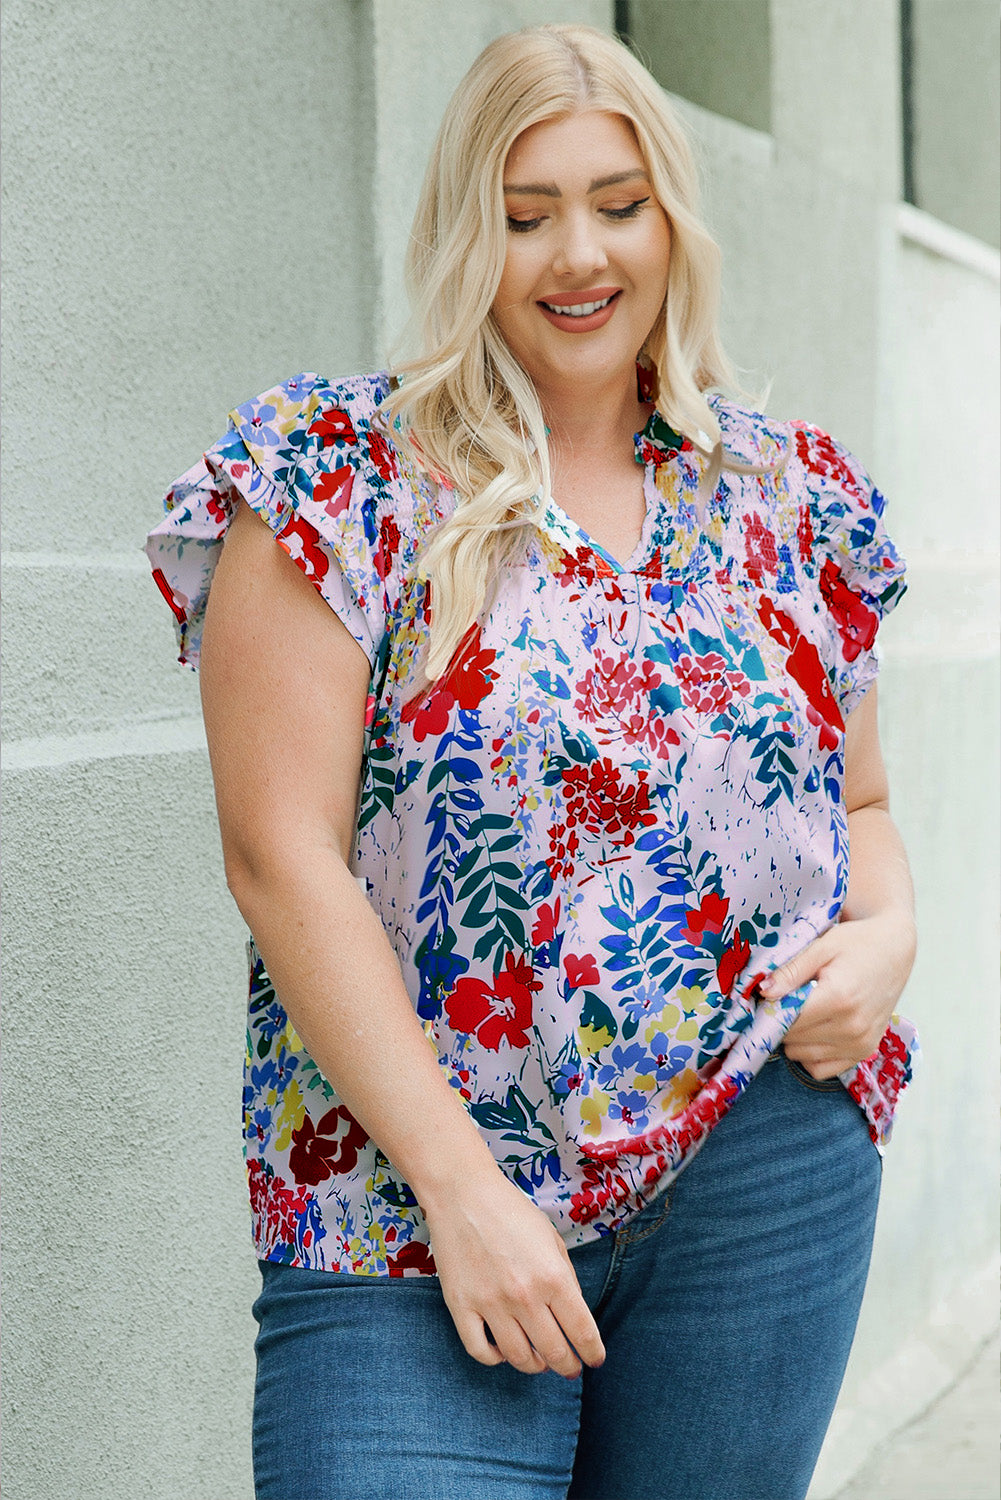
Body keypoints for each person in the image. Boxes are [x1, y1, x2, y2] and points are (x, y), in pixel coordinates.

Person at [147, 23, 918, 1500]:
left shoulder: (788, 497)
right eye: (524, 212)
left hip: (757, 1176)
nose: (578, 253)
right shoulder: (338, 476)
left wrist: (889, 934)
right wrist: (461, 1191)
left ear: (670, 218)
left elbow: (858, 800)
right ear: (462, 232)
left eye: (616, 202)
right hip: (403, 1206)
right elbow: (277, 855)